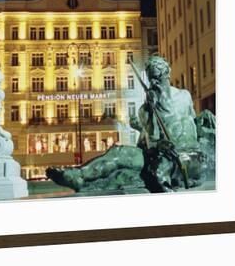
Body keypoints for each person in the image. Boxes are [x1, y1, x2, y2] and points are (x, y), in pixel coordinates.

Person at [47, 55, 215, 193]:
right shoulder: (146, 109)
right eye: (154, 80)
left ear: (167, 74)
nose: (157, 83)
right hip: (159, 154)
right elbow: (151, 142)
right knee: (119, 152)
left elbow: (194, 125)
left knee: (157, 172)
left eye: (160, 78)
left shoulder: (184, 96)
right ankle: (78, 175)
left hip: (186, 156)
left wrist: (205, 117)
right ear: (150, 81)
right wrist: (151, 112)